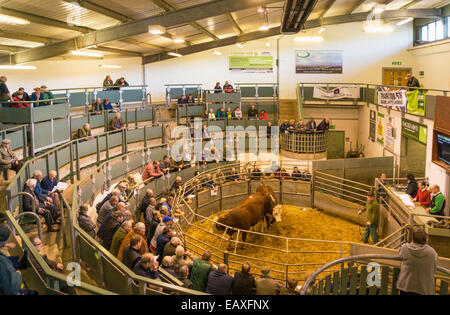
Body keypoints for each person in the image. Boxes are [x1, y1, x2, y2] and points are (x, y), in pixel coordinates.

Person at [396, 226, 438, 295]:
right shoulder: (432, 252)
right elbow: (435, 265)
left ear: (413, 239)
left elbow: (400, 254)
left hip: (406, 286)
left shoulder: (405, 248)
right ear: (426, 239)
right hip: (423, 288)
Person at [0, 225, 22, 295]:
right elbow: (12, 289)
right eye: (7, 239)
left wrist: (5, 245)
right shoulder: (3, 262)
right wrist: (18, 275)